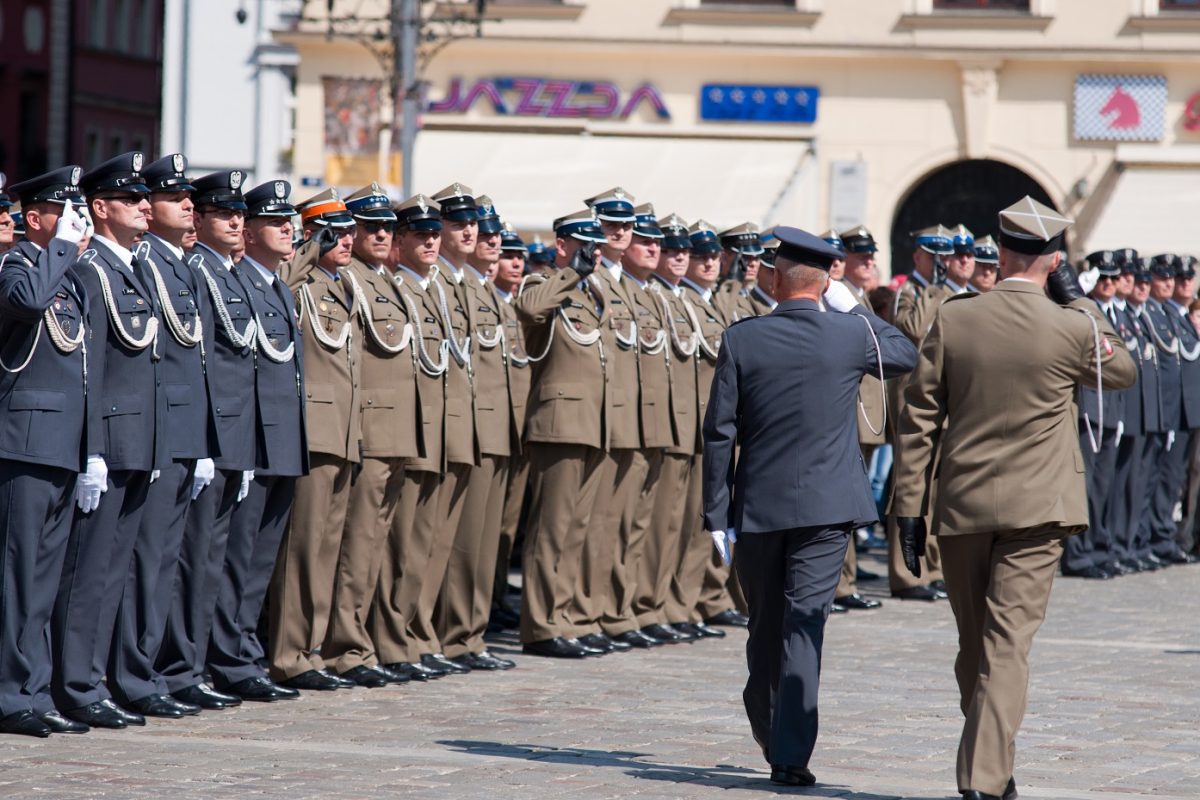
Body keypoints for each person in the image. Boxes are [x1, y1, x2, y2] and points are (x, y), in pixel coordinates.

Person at [893, 196, 1136, 800]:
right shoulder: (1073, 325)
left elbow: (918, 418)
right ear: (1054, 260)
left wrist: (906, 506)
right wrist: (1080, 300)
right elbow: (1124, 369)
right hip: (1040, 508)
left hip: (964, 504)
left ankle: (985, 770)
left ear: (999, 252)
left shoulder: (954, 317)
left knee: (976, 645)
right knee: (1001, 648)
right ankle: (987, 769)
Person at [703, 226, 917, 787]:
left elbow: (719, 433)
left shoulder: (742, 338)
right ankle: (789, 752)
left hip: (758, 507)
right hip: (827, 508)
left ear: (773, 279)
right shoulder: (848, 335)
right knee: (804, 625)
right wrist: (853, 308)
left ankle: (773, 728)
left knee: (766, 623)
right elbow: (904, 354)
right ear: (826, 280)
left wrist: (716, 512)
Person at [54, 152, 168, 729]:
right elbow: (88, 367)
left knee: (115, 568)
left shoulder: (135, 267)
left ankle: (93, 677)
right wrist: (91, 448)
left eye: (146, 197)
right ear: (100, 209)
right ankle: (75, 683)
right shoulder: (90, 267)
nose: (146, 205)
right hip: (109, 440)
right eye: (133, 199)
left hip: (139, 439)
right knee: (89, 569)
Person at [106, 154, 213, 718]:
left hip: (179, 430)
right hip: (153, 430)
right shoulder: (147, 262)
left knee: (166, 559)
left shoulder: (178, 265)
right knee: (143, 562)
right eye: (173, 198)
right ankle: (132, 674)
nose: (183, 205)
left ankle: (151, 670)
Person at [158, 169, 263, 706]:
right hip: (200, 431)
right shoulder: (199, 269)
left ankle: (193, 665)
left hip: (227, 432)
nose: (238, 222)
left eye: (240, 214)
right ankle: (180, 668)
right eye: (226, 213)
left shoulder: (229, 273)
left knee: (213, 557)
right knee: (190, 559)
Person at [204, 179, 308, 703]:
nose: (288, 229)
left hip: (281, 437)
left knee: (260, 558)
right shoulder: (236, 279)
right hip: (249, 437)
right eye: (276, 222)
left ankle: (244, 651)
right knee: (236, 555)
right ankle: (229, 657)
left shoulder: (276, 286)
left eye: (289, 221)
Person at [0, 168, 90, 737]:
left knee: (44, 580)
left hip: (63, 441)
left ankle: (35, 688)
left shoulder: (65, 272)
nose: (76, 222)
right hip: (25, 441)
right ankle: (10, 694)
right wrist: (61, 248)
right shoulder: (15, 267)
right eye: (65, 211)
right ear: (37, 220)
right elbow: (29, 303)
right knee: (18, 575)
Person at [320, 182, 417, 686]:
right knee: (353, 547)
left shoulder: (385, 279)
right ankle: (345, 646)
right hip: (367, 428)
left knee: (373, 545)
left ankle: (360, 642)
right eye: (369, 225)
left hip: (394, 428)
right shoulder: (347, 278)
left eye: (387, 227)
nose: (381, 233)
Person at [270, 187, 363, 691]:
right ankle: (288, 653)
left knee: (327, 549)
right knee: (303, 549)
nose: (346, 240)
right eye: (335, 231)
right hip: (317, 429)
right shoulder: (303, 280)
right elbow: (277, 285)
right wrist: (308, 247)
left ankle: (312, 647)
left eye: (349, 231)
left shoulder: (342, 285)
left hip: (345, 430)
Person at [514, 209, 609, 658]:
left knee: (576, 530)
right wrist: (571, 273)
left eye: (597, 246)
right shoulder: (543, 283)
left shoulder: (592, 292)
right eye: (583, 245)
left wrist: (582, 278)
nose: (593, 252)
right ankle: (540, 626)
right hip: (558, 422)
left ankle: (564, 617)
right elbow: (530, 310)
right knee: (550, 530)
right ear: (562, 245)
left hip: (592, 422)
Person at [1062, 250, 1126, 579]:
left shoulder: (1115, 313)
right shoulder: (1083, 309)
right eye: (1105, 278)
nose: (1111, 284)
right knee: (1083, 486)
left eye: (1115, 278)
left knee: (1102, 486)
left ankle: (1098, 548)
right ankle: (1077, 554)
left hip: (1109, 407)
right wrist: (1081, 296)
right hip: (1089, 406)